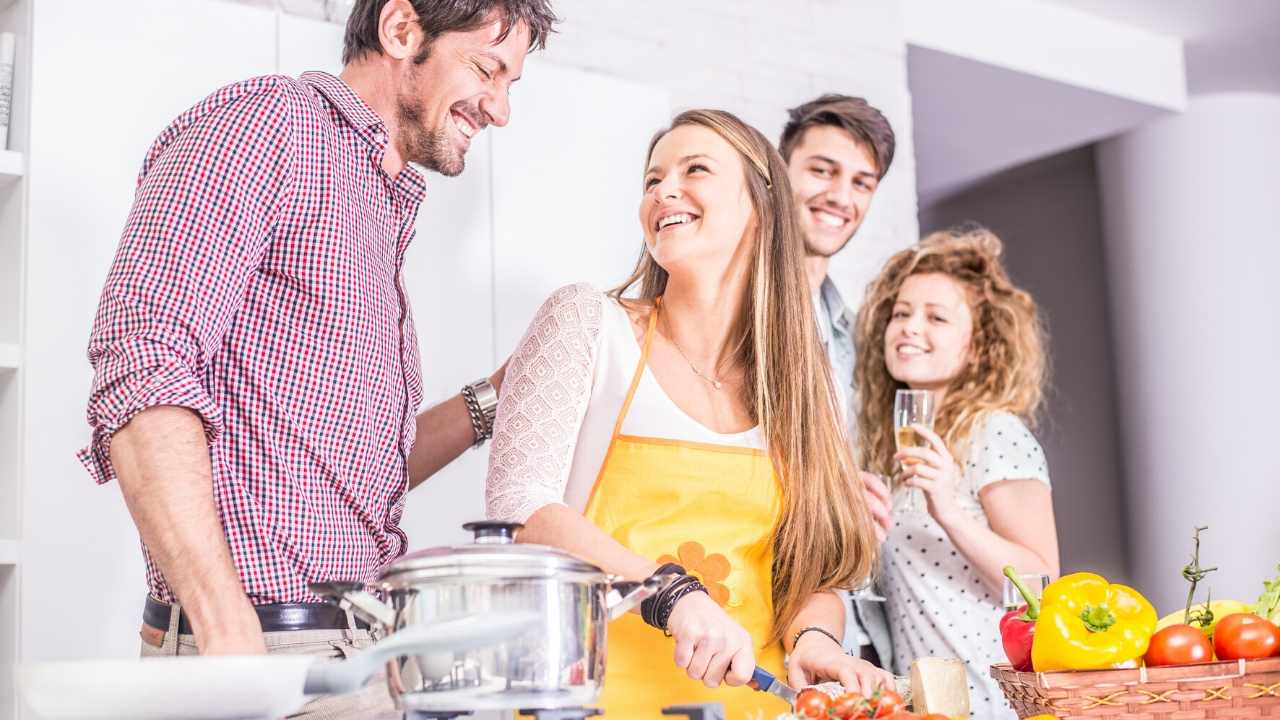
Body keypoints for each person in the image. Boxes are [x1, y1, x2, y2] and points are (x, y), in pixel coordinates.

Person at [79, 1, 556, 717]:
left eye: (511, 83)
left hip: (350, 655)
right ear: (402, 31)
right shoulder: (272, 125)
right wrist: (222, 621)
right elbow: (143, 357)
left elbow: (345, 475)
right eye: (487, 70)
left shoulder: (375, 199)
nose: (499, 108)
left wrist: (495, 398)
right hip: (256, 653)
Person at [485, 109, 890, 718]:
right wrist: (669, 593)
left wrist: (816, 638)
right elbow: (521, 506)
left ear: (761, 204)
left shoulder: (801, 378)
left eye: (694, 169)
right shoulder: (590, 323)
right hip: (593, 702)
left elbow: (811, 567)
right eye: (652, 180)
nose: (664, 191)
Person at [853, 224, 1060, 718]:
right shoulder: (891, 447)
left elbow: (1044, 588)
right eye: (901, 314)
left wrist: (951, 511)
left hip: (995, 702)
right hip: (934, 702)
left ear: (976, 346)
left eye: (936, 317)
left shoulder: (994, 432)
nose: (909, 328)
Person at [779, 93, 897, 669]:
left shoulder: (851, 331)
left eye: (861, 182)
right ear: (780, 172)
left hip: (857, 624)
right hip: (769, 623)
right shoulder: (729, 310)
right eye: (822, 171)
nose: (840, 197)